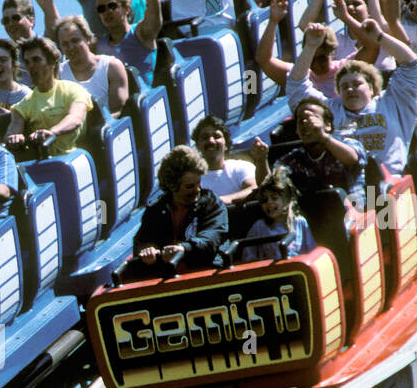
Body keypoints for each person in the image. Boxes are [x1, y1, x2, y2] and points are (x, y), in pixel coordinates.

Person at [287, 20, 417, 177]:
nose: (350, 89)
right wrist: (310, 47)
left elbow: (412, 64)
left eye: (356, 84)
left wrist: (379, 36)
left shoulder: (392, 101)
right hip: (351, 190)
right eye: (344, 87)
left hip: (393, 186)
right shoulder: (331, 110)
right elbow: (296, 87)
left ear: (371, 88)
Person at [132, 146, 229, 275]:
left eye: (198, 184)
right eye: (190, 186)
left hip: (206, 271)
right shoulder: (156, 210)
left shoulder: (211, 203)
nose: (197, 190)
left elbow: (212, 239)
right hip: (166, 277)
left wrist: (184, 249)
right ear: (173, 186)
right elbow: (142, 241)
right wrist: (147, 250)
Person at [6, 37, 96, 155]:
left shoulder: (73, 90)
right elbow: (13, 130)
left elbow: (75, 118)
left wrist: (52, 132)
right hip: (46, 163)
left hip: (76, 158)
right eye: (27, 62)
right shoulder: (23, 105)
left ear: (52, 62)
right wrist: (14, 138)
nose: (31, 66)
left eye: (36, 60)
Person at [272, 96, 367, 203]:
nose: (306, 124)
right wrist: (261, 161)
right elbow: (272, 184)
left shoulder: (348, 144)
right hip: (316, 214)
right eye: (301, 121)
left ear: (328, 125)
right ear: (297, 131)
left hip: (356, 209)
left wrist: (322, 136)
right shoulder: (293, 159)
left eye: (312, 118)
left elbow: (352, 159)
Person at [56, 14, 131, 118]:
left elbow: (120, 112)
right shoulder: (58, 74)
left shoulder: (112, 66)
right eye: (65, 44)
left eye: (75, 41)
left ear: (87, 38)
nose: (70, 47)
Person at [236, 166, 315, 260]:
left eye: (274, 198)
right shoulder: (259, 226)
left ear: (286, 200)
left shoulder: (299, 223)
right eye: (265, 200)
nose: (269, 203)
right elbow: (248, 256)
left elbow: (312, 252)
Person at [192, 115, 257, 204]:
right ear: (197, 146)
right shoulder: (192, 178)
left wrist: (223, 200)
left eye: (216, 136)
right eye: (205, 137)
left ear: (226, 144)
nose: (211, 141)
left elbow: (253, 188)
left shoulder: (241, 167)